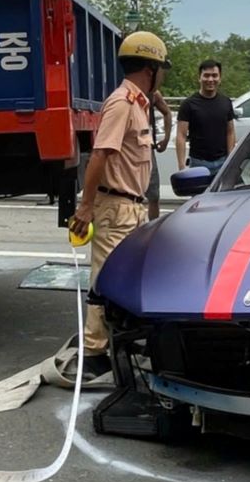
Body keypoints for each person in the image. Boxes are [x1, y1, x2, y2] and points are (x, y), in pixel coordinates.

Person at [69, 30, 170, 375]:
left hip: (132, 205)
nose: (164, 75)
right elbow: (100, 155)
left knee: (123, 276)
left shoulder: (139, 104)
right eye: (162, 68)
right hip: (115, 206)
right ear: (150, 69)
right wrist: (85, 207)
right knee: (104, 278)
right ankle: (94, 352)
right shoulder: (122, 103)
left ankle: (116, 338)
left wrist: (166, 115)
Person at [176, 59, 235, 176]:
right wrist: (181, 166)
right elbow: (181, 136)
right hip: (198, 163)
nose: (210, 79)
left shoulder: (226, 102)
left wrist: (231, 160)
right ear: (199, 78)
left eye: (214, 76)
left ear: (220, 78)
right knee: (198, 194)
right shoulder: (188, 104)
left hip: (222, 163)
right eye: (206, 76)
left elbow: (230, 132)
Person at [145, 91, 172, 221]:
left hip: (147, 149)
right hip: (127, 150)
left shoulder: (153, 93)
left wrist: (166, 139)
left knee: (154, 195)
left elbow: (167, 112)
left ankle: (152, 228)